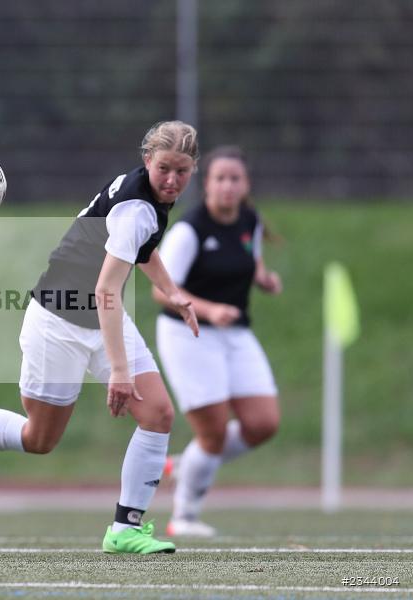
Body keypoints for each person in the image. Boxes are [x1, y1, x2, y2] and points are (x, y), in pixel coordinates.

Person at [0, 121, 200, 554]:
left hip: (103, 317)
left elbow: (144, 247)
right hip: (58, 321)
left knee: (158, 414)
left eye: (182, 171)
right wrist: (119, 371)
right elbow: (106, 289)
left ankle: (125, 528)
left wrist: (172, 291)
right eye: (164, 169)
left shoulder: (147, 198)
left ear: (193, 167)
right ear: (147, 161)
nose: (173, 180)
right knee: (39, 440)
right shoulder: (136, 206)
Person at [153, 145, 282, 538]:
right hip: (187, 333)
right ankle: (184, 518)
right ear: (206, 184)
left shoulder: (250, 221)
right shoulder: (190, 231)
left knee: (262, 423)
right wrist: (208, 311)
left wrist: (262, 278)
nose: (228, 186)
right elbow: (163, 291)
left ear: (246, 185)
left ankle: (184, 463)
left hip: (235, 333)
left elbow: (249, 256)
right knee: (212, 431)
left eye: (235, 179)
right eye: (220, 178)